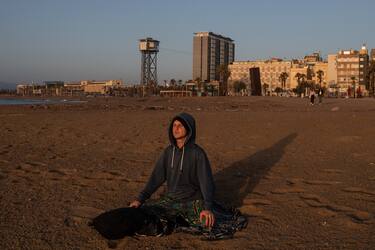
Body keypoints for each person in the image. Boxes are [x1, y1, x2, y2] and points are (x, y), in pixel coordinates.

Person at [129, 112, 216, 228]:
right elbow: (155, 178)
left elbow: (206, 182)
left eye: (180, 126)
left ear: (189, 129)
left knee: (205, 223)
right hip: (171, 198)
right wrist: (140, 199)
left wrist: (208, 208)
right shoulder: (168, 152)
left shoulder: (198, 154)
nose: (176, 128)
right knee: (143, 213)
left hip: (192, 200)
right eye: (174, 125)